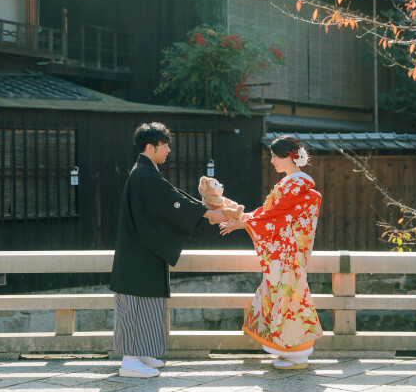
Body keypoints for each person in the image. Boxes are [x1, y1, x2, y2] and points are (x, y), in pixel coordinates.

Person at [109, 122, 227, 378]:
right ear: (150, 147)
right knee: (134, 303)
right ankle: (129, 360)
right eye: (164, 145)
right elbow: (170, 201)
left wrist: (205, 210)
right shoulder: (143, 174)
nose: (168, 150)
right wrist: (207, 213)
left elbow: (171, 197)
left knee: (146, 302)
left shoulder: (145, 171)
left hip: (143, 249)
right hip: (137, 251)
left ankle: (140, 353)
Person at [219, 135, 322, 369]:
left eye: (275, 156)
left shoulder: (296, 184)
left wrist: (244, 223)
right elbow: (269, 212)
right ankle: (290, 352)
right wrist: (242, 217)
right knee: (284, 297)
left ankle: (297, 353)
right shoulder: (291, 183)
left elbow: (278, 215)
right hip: (286, 254)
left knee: (288, 298)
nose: (272, 160)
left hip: (287, 255)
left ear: (289, 156)